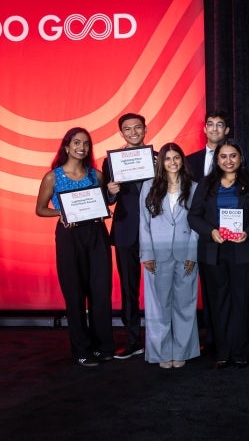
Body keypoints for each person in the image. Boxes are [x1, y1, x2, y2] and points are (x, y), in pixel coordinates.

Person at [188, 141, 249, 369]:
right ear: (217, 160)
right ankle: (222, 352)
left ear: (241, 158)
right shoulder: (206, 184)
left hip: (244, 249)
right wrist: (211, 231)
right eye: (223, 156)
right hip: (214, 251)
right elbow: (194, 216)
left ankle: (241, 352)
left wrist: (248, 233)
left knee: (242, 301)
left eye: (233, 156)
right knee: (218, 303)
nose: (228, 160)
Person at [35, 127, 114, 367]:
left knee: (101, 293)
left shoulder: (96, 176)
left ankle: (103, 346)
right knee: (75, 294)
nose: (82, 147)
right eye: (77, 143)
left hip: (96, 235)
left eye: (86, 144)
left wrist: (105, 208)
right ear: (67, 147)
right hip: (70, 237)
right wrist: (62, 213)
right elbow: (40, 209)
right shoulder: (53, 177)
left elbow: (101, 205)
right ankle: (81, 350)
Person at [138, 142, 200, 368]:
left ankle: (182, 351)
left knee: (185, 304)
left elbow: (197, 224)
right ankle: (162, 353)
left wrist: (193, 254)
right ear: (161, 162)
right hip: (157, 254)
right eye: (167, 158)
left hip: (186, 254)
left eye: (176, 158)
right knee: (158, 306)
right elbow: (143, 224)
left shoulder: (193, 187)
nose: (172, 162)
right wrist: (147, 254)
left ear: (182, 160)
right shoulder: (148, 187)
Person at [104, 112, 151, 359]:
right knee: (129, 289)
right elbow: (107, 200)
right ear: (121, 133)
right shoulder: (110, 161)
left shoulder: (158, 158)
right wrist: (110, 193)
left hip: (157, 230)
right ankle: (134, 341)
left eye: (137, 128)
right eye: (127, 129)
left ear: (145, 129)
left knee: (160, 288)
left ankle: (160, 340)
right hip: (125, 231)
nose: (133, 132)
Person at [186, 110, 232, 352]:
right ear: (204, 129)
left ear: (226, 131)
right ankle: (210, 338)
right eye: (210, 125)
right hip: (196, 231)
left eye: (220, 125)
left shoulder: (235, 158)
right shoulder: (189, 161)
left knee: (227, 289)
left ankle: (228, 338)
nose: (214, 129)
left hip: (229, 235)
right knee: (206, 288)